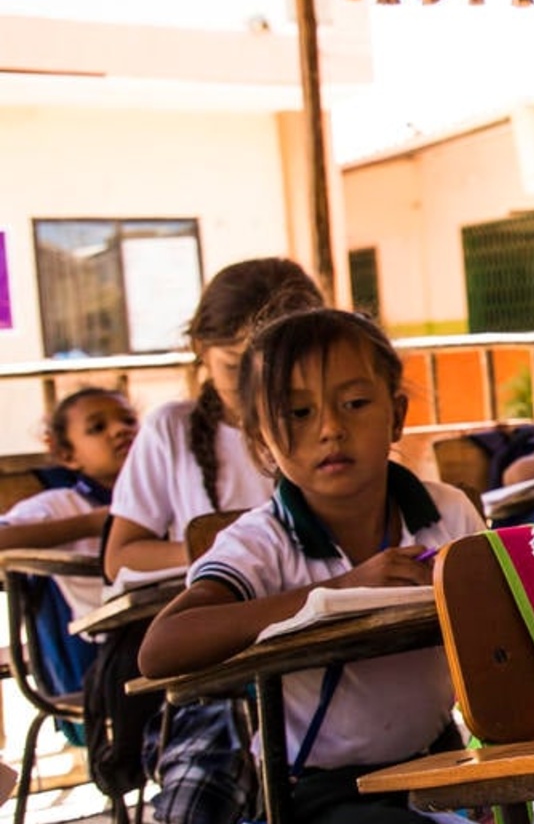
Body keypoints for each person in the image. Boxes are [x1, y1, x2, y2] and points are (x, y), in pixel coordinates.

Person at [140, 308, 483, 824]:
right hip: (318, 791)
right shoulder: (262, 542)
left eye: (355, 403)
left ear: (396, 415)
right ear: (261, 441)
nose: (330, 428)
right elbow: (162, 647)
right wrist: (340, 592)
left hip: (440, 760)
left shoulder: (448, 511)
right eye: (299, 413)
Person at [105, 256, 325, 824]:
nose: (257, 386)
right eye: (235, 366)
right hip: (224, 664)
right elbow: (120, 555)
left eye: (277, 365)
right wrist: (236, 549)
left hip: (325, 658)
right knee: (203, 791)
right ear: (200, 351)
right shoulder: (172, 429)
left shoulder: (325, 429)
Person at [0, 388, 139, 622]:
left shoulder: (168, 491)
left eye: (129, 420)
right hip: (111, 637)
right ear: (68, 456)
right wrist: (91, 524)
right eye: (97, 428)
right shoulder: (62, 504)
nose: (121, 430)